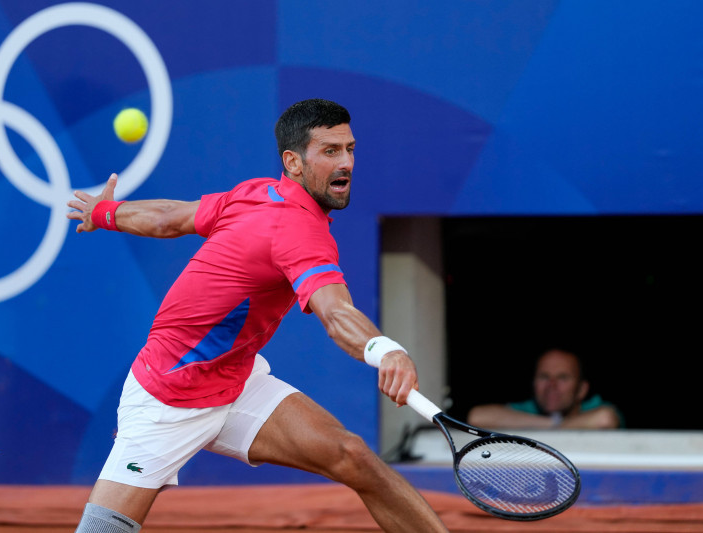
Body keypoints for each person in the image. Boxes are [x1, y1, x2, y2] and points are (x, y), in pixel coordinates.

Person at [66, 99, 449, 533]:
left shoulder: (255, 193)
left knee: (353, 456)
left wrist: (104, 212)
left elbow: (170, 217)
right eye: (330, 151)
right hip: (170, 393)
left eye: (349, 148)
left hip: (234, 379)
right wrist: (386, 350)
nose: (346, 163)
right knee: (103, 529)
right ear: (293, 161)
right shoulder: (298, 229)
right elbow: (335, 311)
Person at [467, 348, 622, 430]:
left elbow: (605, 419)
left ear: (581, 390)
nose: (551, 385)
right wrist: (552, 424)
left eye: (563, 378)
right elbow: (477, 416)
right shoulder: (529, 408)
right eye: (544, 377)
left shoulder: (594, 408)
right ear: (534, 384)